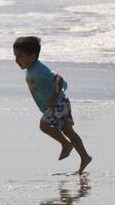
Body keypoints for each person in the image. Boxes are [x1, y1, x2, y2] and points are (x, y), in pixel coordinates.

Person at [13, 36, 92, 174]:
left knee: (44, 125)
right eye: (15, 56)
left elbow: (59, 79)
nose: (16, 60)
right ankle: (85, 157)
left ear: (32, 56)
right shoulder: (31, 70)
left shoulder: (40, 69)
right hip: (61, 103)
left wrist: (55, 96)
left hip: (58, 103)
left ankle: (66, 145)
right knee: (68, 131)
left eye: (20, 56)